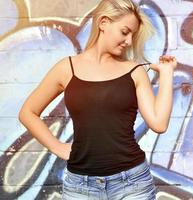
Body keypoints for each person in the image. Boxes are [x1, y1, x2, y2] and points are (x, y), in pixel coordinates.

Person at [18, 0, 177, 199]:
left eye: (132, 35)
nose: (129, 41)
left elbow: (159, 123)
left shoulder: (134, 71)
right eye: (124, 32)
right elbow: (28, 112)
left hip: (132, 183)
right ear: (103, 23)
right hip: (80, 187)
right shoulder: (67, 68)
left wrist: (166, 74)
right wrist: (56, 146)